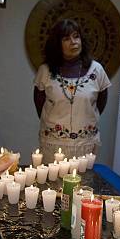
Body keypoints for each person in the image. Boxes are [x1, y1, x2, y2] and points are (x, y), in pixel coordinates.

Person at [33, 19, 111, 163]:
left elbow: (100, 104)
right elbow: (39, 105)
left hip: (85, 146)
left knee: (83, 184)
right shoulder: (45, 71)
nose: (74, 42)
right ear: (57, 44)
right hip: (53, 146)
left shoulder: (97, 70)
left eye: (76, 36)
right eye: (66, 38)